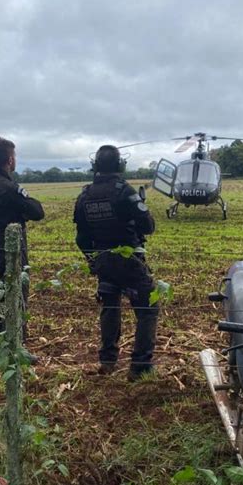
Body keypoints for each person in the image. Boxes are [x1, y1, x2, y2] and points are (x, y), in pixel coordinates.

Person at [73, 145, 158, 381]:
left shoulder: (85, 195)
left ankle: (108, 360)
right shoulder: (125, 191)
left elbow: (81, 237)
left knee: (110, 305)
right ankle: (140, 365)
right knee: (147, 308)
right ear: (120, 165)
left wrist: (93, 260)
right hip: (129, 260)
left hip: (102, 261)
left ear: (95, 166)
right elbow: (148, 227)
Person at [0, 137, 45, 335]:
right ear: (9, 160)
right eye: (14, 156)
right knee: (16, 292)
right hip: (10, 247)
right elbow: (37, 211)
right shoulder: (7, 187)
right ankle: (16, 346)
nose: (15, 160)